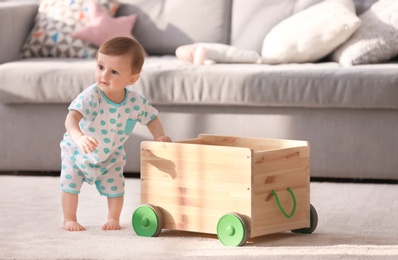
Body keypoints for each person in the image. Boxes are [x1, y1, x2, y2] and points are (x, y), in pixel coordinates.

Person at [60, 37, 171, 232]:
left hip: (110, 155)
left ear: (132, 79)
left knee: (117, 187)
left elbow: (151, 118)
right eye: (101, 67)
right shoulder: (91, 96)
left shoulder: (136, 102)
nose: (104, 75)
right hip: (77, 152)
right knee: (70, 184)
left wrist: (159, 136)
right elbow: (71, 118)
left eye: (114, 72)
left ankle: (113, 218)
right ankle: (69, 219)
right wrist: (79, 137)